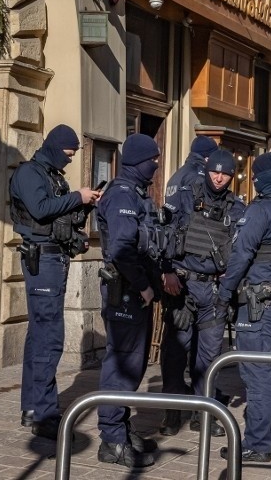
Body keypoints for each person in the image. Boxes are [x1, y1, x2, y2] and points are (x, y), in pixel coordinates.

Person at [9, 125, 102, 439]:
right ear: (54, 147)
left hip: (52, 258)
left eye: (74, 154)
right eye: (68, 153)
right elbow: (40, 209)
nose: (70, 159)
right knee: (49, 337)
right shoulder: (29, 173)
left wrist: (76, 232)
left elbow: (56, 221)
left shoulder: (52, 175)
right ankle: (45, 415)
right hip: (42, 262)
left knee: (38, 337)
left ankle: (33, 407)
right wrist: (79, 196)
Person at [216, 152, 271, 462]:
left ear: (262, 178)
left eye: (255, 175)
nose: (252, 179)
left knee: (256, 372)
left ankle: (257, 443)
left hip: (257, 301)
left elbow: (241, 256)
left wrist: (225, 292)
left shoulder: (260, 211)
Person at [159, 149, 246, 437]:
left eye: (226, 174)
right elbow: (163, 235)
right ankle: (172, 414)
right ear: (207, 170)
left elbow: (243, 248)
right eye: (215, 172)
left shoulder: (236, 208)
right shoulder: (185, 196)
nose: (219, 178)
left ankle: (202, 413)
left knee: (208, 358)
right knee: (175, 353)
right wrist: (167, 271)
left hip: (214, 292)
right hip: (182, 288)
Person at [95, 133, 164, 468]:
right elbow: (122, 249)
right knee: (122, 364)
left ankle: (120, 427)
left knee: (133, 364)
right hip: (126, 291)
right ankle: (111, 440)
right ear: (140, 161)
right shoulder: (123, 195)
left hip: (132, 291)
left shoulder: (137, 194)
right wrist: (143, 287)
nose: (156, 165)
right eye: (153, 159)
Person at [164, 135, 218, 209]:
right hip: (187, 219)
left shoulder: (179, 173)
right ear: (207, 158)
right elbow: (197, 210)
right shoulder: (199, 175)